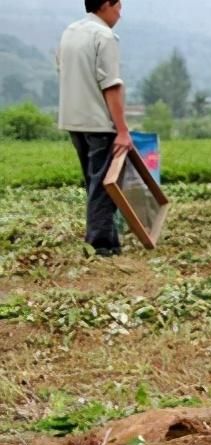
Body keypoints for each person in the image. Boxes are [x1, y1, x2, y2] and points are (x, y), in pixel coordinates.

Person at [57, 0, 131, 256]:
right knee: (105, 185)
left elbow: (62, 70)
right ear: (106, 5)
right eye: (118, 5)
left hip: (73, 119)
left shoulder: (71, 32)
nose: (120, 12)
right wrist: (122, 130)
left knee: (95, 182)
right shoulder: (104, 36)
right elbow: (111, 85)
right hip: (99, 122)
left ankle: (111, 243)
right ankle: (99, 244)